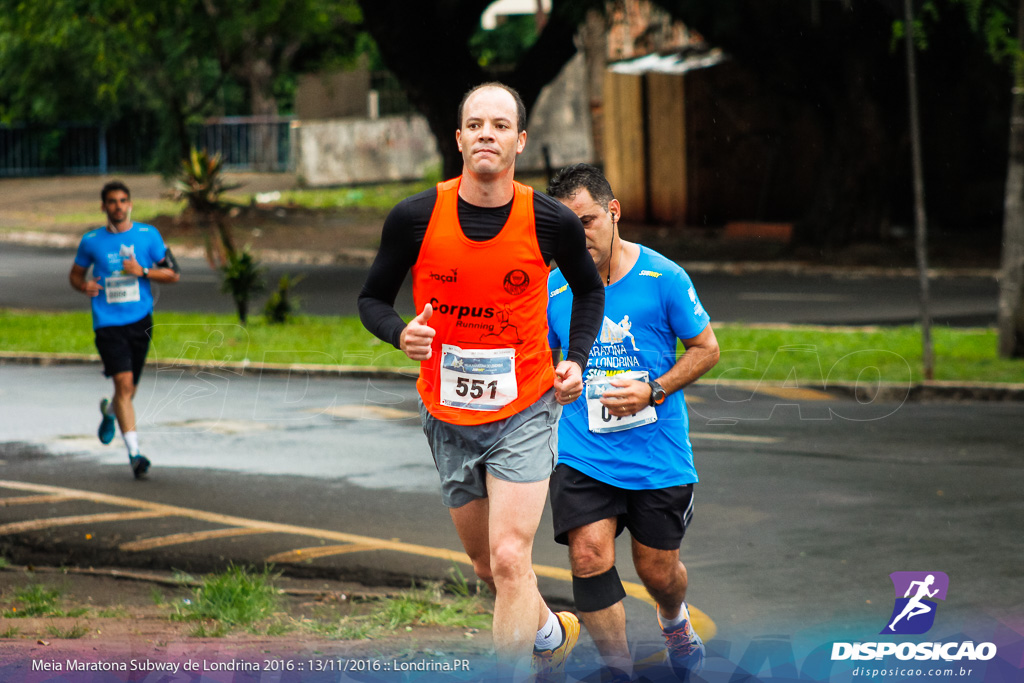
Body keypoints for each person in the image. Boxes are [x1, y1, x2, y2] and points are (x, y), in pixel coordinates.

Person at [359, 83, 605, 676]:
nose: (486, 134)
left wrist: (574, 358)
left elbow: (590, 289)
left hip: (525, 406)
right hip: (446, 414)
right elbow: (372, 299)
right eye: (476, 125)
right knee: (488, 568)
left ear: (519, 141)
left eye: (500, 125)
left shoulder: (549, 221)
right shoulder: (416, 216)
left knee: (511, 555)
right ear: (460, 138)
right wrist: (400, 334)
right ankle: (549, 632)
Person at [545, 164, 720, 681]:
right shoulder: (553, 289)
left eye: (588, 221)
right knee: (588, 554)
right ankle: (617, 670)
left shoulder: (662, 277)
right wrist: (558, 381)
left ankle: (673, 621)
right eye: (566, 228)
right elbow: (542, 361)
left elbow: (706, 350)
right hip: (583, 450)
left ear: (614, 212)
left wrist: (655, 389)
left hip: (657, 455)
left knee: (658, 572)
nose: (580, 236)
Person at [69, 181, 180, 479]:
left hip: (140, 321)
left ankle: (108, 412)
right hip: (107, 323)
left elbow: (173, 273)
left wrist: (142, 271)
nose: (118, 206)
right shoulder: (91, 241)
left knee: (128, 391)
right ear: (103, 207)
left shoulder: (148, 236)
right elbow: (76, 275)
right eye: (112, 202)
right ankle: (135, 455)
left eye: (123, 201)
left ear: (130, 204)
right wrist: (84, 286)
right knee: (124, 384)